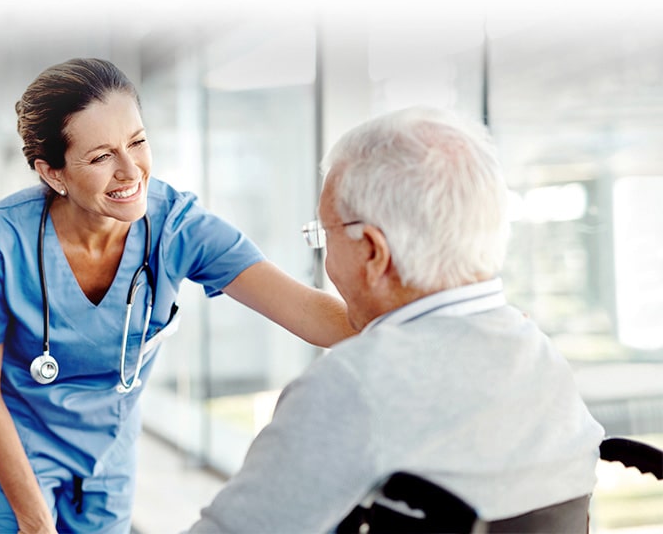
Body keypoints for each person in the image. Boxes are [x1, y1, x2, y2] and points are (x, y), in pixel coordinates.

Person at [0, 57, 355, 534]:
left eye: (137, 142)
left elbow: (308, 313)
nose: (131, 170)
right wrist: (34, 521)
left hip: (108, 443)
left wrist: (424, 306)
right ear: (53, 175)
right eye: (100, 156)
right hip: (10, 433)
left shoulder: (178, 226)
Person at [184, 106, 605, 533]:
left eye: (324, 236)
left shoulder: (351, 385)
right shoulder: (540, 357)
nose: (325, 258)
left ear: (371, 251)